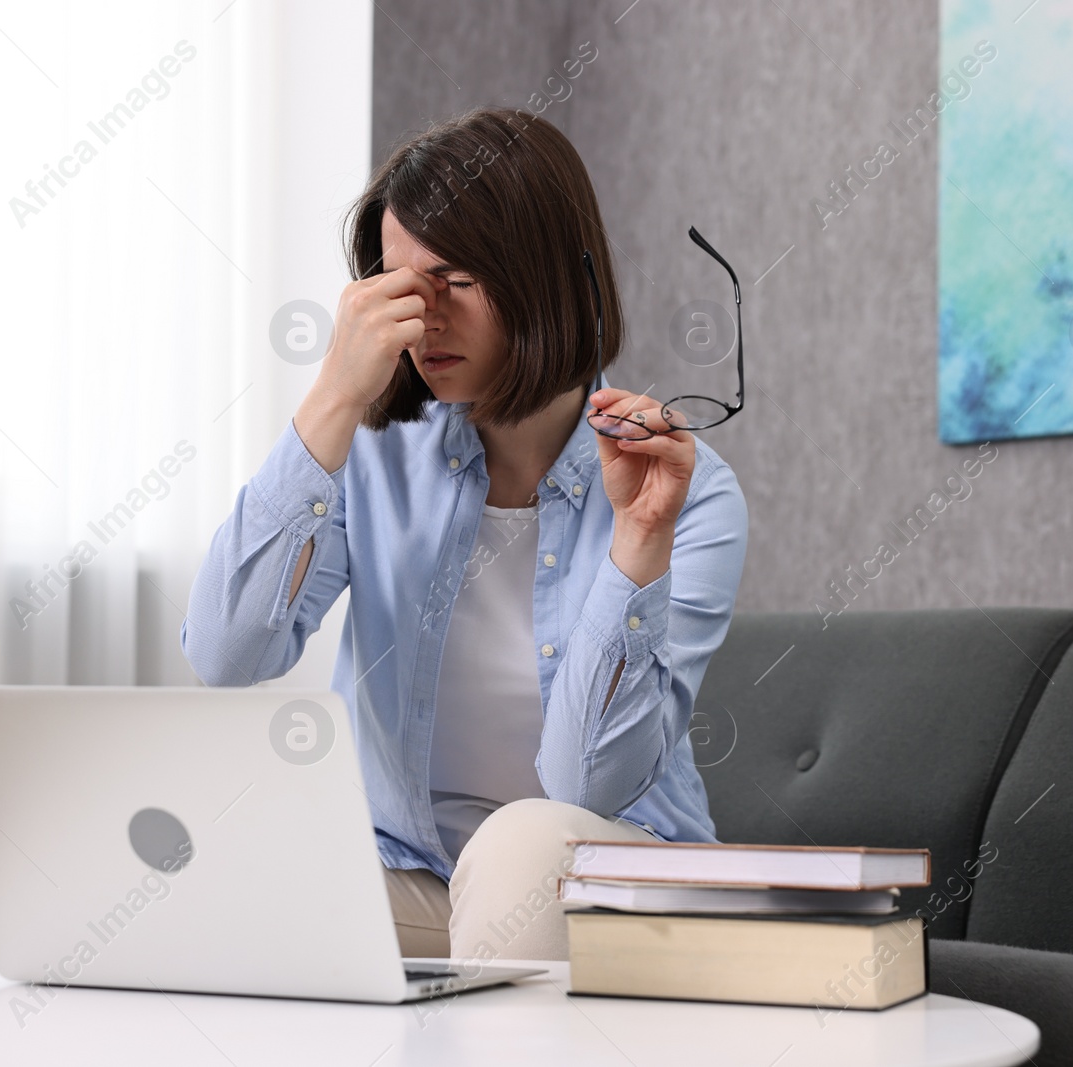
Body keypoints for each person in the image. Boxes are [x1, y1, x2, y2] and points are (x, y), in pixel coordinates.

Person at [181, 104, 749, 962]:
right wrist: (334, 396)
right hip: (419, 876)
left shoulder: (689, 493)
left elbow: (585, 786)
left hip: (613, 880)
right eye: (399, 285)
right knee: (221, 874)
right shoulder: (369, 455)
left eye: (454, 280)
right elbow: (226, 657)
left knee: (521, 847)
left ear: (548, 276)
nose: (421, 319)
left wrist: (636, 538)